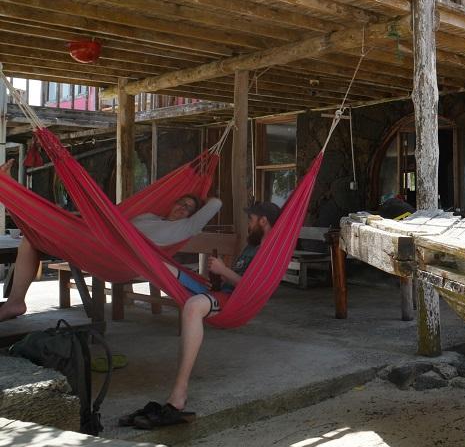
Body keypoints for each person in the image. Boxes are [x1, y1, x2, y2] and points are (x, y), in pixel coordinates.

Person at [0, 159, 222, 321]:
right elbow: (115, 222)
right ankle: (16, 302)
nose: (182, 208)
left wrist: (202, 188)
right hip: (101, 243)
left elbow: (216, 204)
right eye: (181, 203)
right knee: (30, 239)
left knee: (49, 222)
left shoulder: (185, 228)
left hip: (121, 261)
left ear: (193, 217)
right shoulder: (150, 217)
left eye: (188, 209)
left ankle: (9, 190)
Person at [130, 201, 281, 429]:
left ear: (263, 220)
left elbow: (254, 289)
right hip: (220, 292)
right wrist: (218, 276)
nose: (248, 225)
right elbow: (236, 278)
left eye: (251, 220)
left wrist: (224, 270)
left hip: (234, 303)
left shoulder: (271, 249)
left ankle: (178, 396)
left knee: (193, 307)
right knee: (161, 265)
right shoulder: (252, 244)